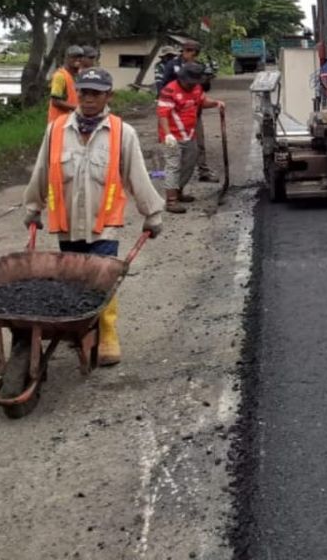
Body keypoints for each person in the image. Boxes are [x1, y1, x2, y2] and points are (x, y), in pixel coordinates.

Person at [22, 67, 164, 366]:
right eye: (84, 93)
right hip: (67, 223)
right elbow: (42, 171)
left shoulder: (122, 133)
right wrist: (33, 208)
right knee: (73, 279)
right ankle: (79, 329)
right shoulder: (57, 129)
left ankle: (107, 330)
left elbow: (137, 174)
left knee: (102, 279)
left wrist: (152, 213)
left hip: (104, 224)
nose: (87, 99)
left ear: (107, 96)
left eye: (95, 94)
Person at [157, 62, 225, 213]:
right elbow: (163, 114)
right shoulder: (169, 90)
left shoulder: (196, 88)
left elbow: (202, 102)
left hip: (190, 134)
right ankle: (171, 201)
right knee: (173, 167)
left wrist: (216, 103)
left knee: (189, 164)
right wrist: (167, 134)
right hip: (172, 137)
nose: (191, 85)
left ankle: (179, 191)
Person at [158, 40, 219, 182]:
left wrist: (207, 79)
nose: (187, 54)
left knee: (199, 143)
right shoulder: (172, 66)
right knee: (174, 146)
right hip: (175, 111)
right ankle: (173, 175)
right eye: (186, 50)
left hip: (193, 111)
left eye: (191, 52)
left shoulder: (199, 67)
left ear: (195, 54)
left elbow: (204, 90)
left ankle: (203, 171)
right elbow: (163, 87)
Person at [47, 45, 86, 123]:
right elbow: (55, 101)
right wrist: (78, 108)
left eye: (80, 57)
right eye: (74, 57)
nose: (78, 59)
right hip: (58, 122)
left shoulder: (78, 75)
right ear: (66, 59)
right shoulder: (60, 76)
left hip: (71, 120)